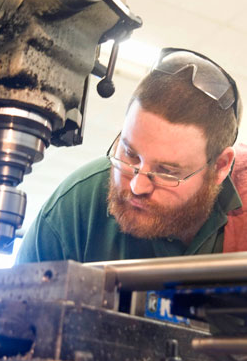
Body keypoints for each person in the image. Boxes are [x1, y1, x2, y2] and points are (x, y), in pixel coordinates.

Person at [16, 47, 247, 264]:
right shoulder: (77, 206)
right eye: (130, 154)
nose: (137, 186)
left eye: (166, 172)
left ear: (220, 167)